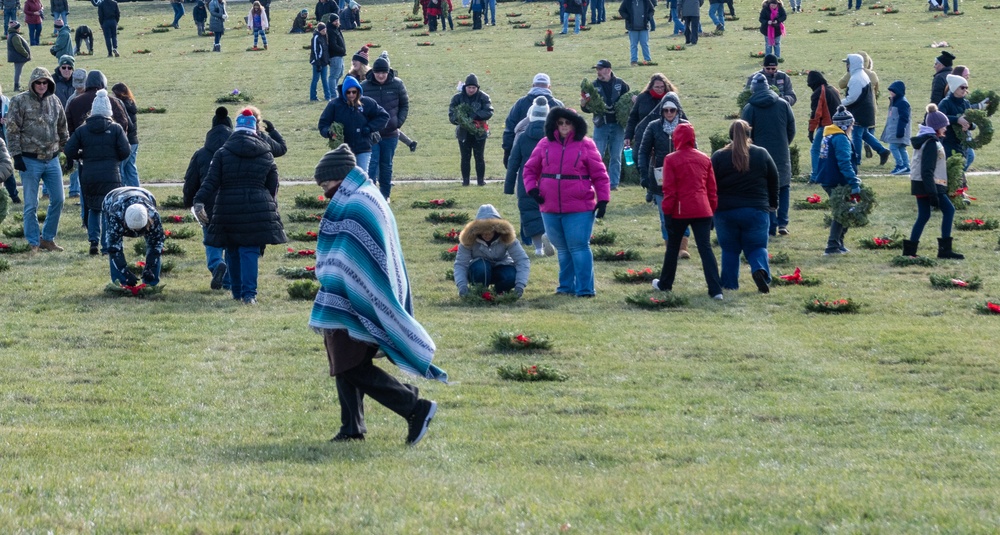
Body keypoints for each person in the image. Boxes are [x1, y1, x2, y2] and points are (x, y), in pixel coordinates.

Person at [309, 144, 445, 445]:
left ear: (339, 177)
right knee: (343, 362)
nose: (324, 190)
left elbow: (355, 253)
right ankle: (352, 428)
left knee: (350, 364)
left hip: (357, 298)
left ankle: (414, 407)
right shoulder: (363, 195)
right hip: (348, 296)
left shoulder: (358, 203)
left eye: (325, 183)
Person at [193, 109, 287, 305]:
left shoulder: (222, 152)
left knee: (233, 250)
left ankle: (236, 293)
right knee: (250, 250)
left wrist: (199, 201)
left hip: (227, 206)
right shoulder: (266, 152)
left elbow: (211, 182)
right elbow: (273, 184)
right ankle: (249, 295)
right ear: (254, 129)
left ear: (236, 129)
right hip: (257, 205)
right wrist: (270, 204)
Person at [522, 106, 610, 297]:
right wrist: (532, 189)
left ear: (574, 124)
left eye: (567, 122)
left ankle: (585, 289)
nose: (563, 126)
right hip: (550, 206)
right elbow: (529, 170)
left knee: (578, 247)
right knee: (562, 249)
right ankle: (565, 287)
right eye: (560, 122)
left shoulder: (586, 145)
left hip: (580, 207)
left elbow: (600, 175)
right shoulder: (544, 144)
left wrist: (603, 199)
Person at [652, 123, 722, 299]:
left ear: (676, 138)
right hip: (703, 209)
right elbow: (712, 189)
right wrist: (712, 210)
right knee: (705, 249)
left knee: (673, 247)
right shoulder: (705, 158)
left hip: (680, 210)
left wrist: (667, 213)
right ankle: (716, 290)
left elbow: (669, 190)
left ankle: (665, 284)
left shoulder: (671, 159)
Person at [7, 67, 70, 253]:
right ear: (32, 84)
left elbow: (63, 128)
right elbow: (11, 130)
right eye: (38, 83)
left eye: (45, 83)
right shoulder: (19, 101)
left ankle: (48, 239)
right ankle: (33, 242)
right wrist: (16, 156)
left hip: (52, 159)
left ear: (49, 84)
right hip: (29, 160)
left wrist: (67, 153)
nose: (42, 86)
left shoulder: (55, 101)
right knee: (30, 204)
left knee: (59, 199)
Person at [711, 119, 777, 293]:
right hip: (756, 209)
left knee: (730, 250)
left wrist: (711, 210)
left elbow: (710, 185)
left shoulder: (718, 156)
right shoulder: (761, 154)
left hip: (725, 211)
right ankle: (760, 270)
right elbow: (774, 179)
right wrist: (773, 204)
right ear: (749, 134)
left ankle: (729, 284)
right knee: (757, 247)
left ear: (730, 135)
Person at [63, 89, 130, 255]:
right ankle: (106, 245)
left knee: (93, 209)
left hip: (89, 175)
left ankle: (93, 241)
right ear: (108, 111)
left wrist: (81, 155)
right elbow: (126, 151)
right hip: (111, 175)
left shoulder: (82, 130)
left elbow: (69, 149)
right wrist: (114, 157)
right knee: (108, 210)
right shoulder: (115, 129)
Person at [183, 107, 233, 290]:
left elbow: (191, 181)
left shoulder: (201, 154)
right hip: (232, 204)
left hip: (208, 204)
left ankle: (215, 264)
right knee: (231, 242)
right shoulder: (235, 153)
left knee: (211, 239)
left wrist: (188, 201)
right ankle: (228, 280)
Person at [637, 93, 692, 257]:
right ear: (661, 111)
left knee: (683, 213)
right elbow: (643, 151)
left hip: (682, 178)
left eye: (672, 110)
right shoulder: (653, 127)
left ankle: (683, 247)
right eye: (666, 110)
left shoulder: (686, 126)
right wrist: (643, 173)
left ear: (678, 111)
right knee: (664, 215)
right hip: (659, 178)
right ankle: (671, 247)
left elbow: (693, 151)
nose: (669, 113)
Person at [905, 104, 963, 259]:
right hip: (929, 186)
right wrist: (933, 194)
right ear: (937, 127)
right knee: (949, 210)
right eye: (944, 126)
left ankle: (910, 250)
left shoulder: (929, 139)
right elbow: (927, 171)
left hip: (921, 185)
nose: (946, 128)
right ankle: (945, 250)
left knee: (924, 216)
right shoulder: (930, 143)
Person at [741, 72, 794, 236]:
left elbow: (745, 135)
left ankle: (771, 225)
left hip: (759, 157)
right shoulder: (784, 104)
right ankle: (783, 223)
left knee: (765, 189)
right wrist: (784, 144)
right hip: (781, 153)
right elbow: (791, 129)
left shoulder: (750, 108)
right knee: (783, 187)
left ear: (753, 90)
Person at [504, 96, 553, 256]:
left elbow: (513, 162)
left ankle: (538, 247)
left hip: (526, 182)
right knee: (549, 211)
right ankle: (549, 236)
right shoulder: (554, 138)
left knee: (529, 213)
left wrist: (509, 186)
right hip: (550, 181)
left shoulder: (523, 136)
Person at [360, 51, 409, 201]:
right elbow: (359, 107)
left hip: (390, 134)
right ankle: (371, 195)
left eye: (384, 72)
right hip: (372, 134)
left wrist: (397, 123)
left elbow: (404, 105)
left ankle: (385, 195)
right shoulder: (364, 86)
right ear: (373, 72)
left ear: (388, 72)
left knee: (386, 165)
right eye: (378, 72)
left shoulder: (397, 84)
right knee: (372, 164)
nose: (381, 75)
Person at [454, 204, 531, 297]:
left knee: (510, 276)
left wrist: (520, 286)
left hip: (502, 267)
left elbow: (522, 260)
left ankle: (499, 293)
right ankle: (480, 292)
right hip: (478, 271)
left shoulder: (507, 238)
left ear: (497, 230)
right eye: (483, 231)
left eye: (490, 231)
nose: (486, 235)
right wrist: (462, 286)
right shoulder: (469, 240)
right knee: (481, 267)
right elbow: (461, 263)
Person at [318, 75, 389, 172]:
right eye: (348, 92)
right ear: (344, 92)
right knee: (345, 178)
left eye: (354, 92)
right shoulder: (334, 105)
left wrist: (370, 127)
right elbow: (323, 124)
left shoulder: (367, 103)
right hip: (342, 150)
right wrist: (329, 133)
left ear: (358, 91)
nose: (351, 94)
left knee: (361, 177)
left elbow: (384, 116)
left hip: (363, 148)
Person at [816, 106, 862, 256]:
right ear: (846, 125)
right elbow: (844, 163)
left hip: (828, 178)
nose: (852, 127)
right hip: (837, 180)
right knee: (842, 211)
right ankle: (832, 246)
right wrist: (854, 182)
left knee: (846, 210)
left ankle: (839, 243)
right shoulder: (841, 139)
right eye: (851, 124)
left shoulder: (829, 135)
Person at [102, 186, 165, 287]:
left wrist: (150, 267)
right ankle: (121, 283)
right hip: (112, 198)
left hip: (145, 194)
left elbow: (157, 243)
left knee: (154, 244)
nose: (136, 232)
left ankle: (150, 284)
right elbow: (114, 248)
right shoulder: (116, 216)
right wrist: (124, 271)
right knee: (114, 247)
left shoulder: (153, 215)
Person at [583, 59, 629, 190]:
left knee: (616, 156)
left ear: (608, 70)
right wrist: (583, 105)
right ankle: (595, 182)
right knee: (597, 155)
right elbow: (588, 108)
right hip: (601, 125)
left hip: (618, 125)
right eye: (597, 69)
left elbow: (627, 103)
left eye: (600, 69)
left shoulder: (621, 84)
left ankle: (613, 184)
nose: (598, 72)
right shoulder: (591, 87)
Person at [502, 73, 563, 169]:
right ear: (549, 87)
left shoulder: (521, 103)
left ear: (533, 85)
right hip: (550, 152)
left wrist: (507, 150)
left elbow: (510, 127)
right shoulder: (558, 105)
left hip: (524, 150)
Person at [842, 53, 889, 167]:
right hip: (866, 110)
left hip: (860, 111)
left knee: (857, 135)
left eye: (847, 63)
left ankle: (856, 160)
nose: (846, 66)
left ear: (852, 64)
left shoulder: (856, 78)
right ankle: (882, 151)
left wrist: (840, 103)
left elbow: (852, 98)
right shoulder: (861, 75)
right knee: (864, 134)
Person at [448, 73, 493, 186]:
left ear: (477, 88)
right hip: (463, 133)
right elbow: (451, 114)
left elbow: (489, 111)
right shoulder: (457, 98)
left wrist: (475, 116)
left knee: (479, 157)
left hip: (479, 133)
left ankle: (480, 181)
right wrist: (461, 121)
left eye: (474, 88)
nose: (471, 90)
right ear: (465, 87)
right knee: (465, 157)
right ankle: (465, 181)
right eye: (469, 87)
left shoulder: (484, 97)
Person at [624, 73, 675, 152]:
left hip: (664, 137)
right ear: (651, 87)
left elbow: (680, 116)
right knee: (638, 158)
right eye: (657, 87)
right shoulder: (642, 98)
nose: (660, 89)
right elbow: (633, 118)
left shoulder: (671, 98)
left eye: (662, 87)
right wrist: (628, 136)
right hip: (643, 136)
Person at [806, 70, 841, 183]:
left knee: (815, 150)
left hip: (827, 126)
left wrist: (811, 131)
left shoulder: (819, 92)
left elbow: (816, 113)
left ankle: (815, 176)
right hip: (838, 126)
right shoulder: (833, 89)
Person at [111, 82, 140, 187]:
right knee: (131, 169)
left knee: (120, 169)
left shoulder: (120, 106)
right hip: (134, 141)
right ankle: (137, 191)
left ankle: (122, 191)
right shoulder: (132, 104)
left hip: (125, 142)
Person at [880, 80, 911, 175]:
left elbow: (904, 118)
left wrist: (901, 130)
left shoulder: (902, 103)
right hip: (896, 131)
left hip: (898, 131)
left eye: (893, 91)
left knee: (893, 147)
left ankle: (900, 165)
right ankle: (906, 166)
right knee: (901, 148)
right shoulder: (897, 101)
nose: (891, 93)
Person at [619, 0, 654, 66]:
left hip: (644, 27)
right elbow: (621, 10)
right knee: (633, 45)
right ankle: (634, 61)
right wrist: (627, 18)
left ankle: (648, 60)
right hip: (632, 28)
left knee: (644, 44)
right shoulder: (627, 1)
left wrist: (648, 17)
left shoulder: (646, 1)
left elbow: (652, 10)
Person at [0, 84, 19, 205]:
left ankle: (14, 195)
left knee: (7, 168)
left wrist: (7, 121)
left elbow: (14, 118)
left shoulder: (7, 101)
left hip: (5, 138)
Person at [324, 12, 345, 99]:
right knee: (334, 75)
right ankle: (333, 94)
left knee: (340, 73)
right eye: (335, 21)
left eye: (337, 20)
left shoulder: (336, 29)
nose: (337, 22)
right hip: (335, 56)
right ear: (331, 22)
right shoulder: (331, 30)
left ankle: (334, 90)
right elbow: (333, 45)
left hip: (340, 55)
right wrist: (341, 49)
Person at [309, 22, 331, 101]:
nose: (324, 31)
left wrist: (327, 60)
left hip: (324, 62)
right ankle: (313, 97)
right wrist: (318, 63)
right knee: (315, 79)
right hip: (317, 62)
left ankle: (328, 96)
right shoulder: (316, 38)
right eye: (323, 30)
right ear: (320, 30)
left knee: (324, 79)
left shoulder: (325, 37)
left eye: (325, 30)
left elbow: (326, 50)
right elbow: (315, 51)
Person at [7, 22, 30, 93]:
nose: (19, 29)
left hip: (17, 57)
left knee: (18, 71)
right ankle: (16, 86)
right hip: (18, 57)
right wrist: (26, 54)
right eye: (19, 27)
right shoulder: (15, 36)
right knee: (18, 72)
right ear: (16, 28)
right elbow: (19, 47)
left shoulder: (12, 35)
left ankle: (17, 86)